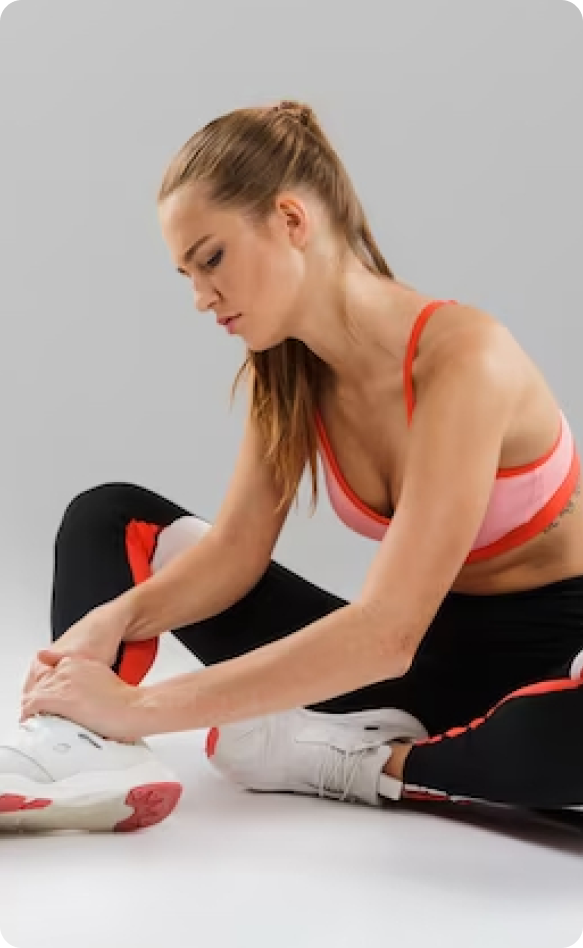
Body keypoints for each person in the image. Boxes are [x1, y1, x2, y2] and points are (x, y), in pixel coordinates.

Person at [1, 99, 583, 835]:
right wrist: (113, 619)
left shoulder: (464, 356)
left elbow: (385, 631)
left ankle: (350, 763)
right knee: (106, 515)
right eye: (185, 272)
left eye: (211, 258)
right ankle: (84, 743)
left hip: (549, 666)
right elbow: (235, 557)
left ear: (290, 219)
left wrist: (146, 706)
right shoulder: (288, 372)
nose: (199, 295)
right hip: (408, 679)